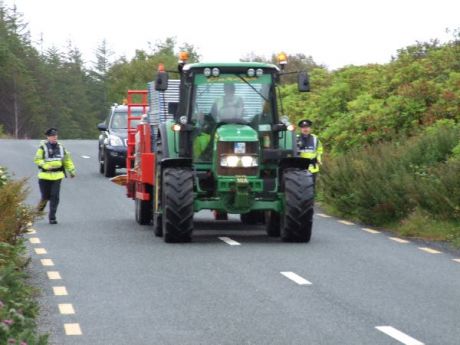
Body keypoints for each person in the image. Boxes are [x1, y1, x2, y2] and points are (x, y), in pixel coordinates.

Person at [34, 128, 76, 224]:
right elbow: (37, 159)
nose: (55, 137)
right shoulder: (42, 147)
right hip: (44, 176)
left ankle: (52, 217)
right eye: (52, 136)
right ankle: (39, 211)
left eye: (56, 136)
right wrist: (45, 165)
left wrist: (71, 170)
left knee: (55, 196)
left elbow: (67, 160)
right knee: (45, 196)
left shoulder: (61, 148)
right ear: (48, 137)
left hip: (57, 176)